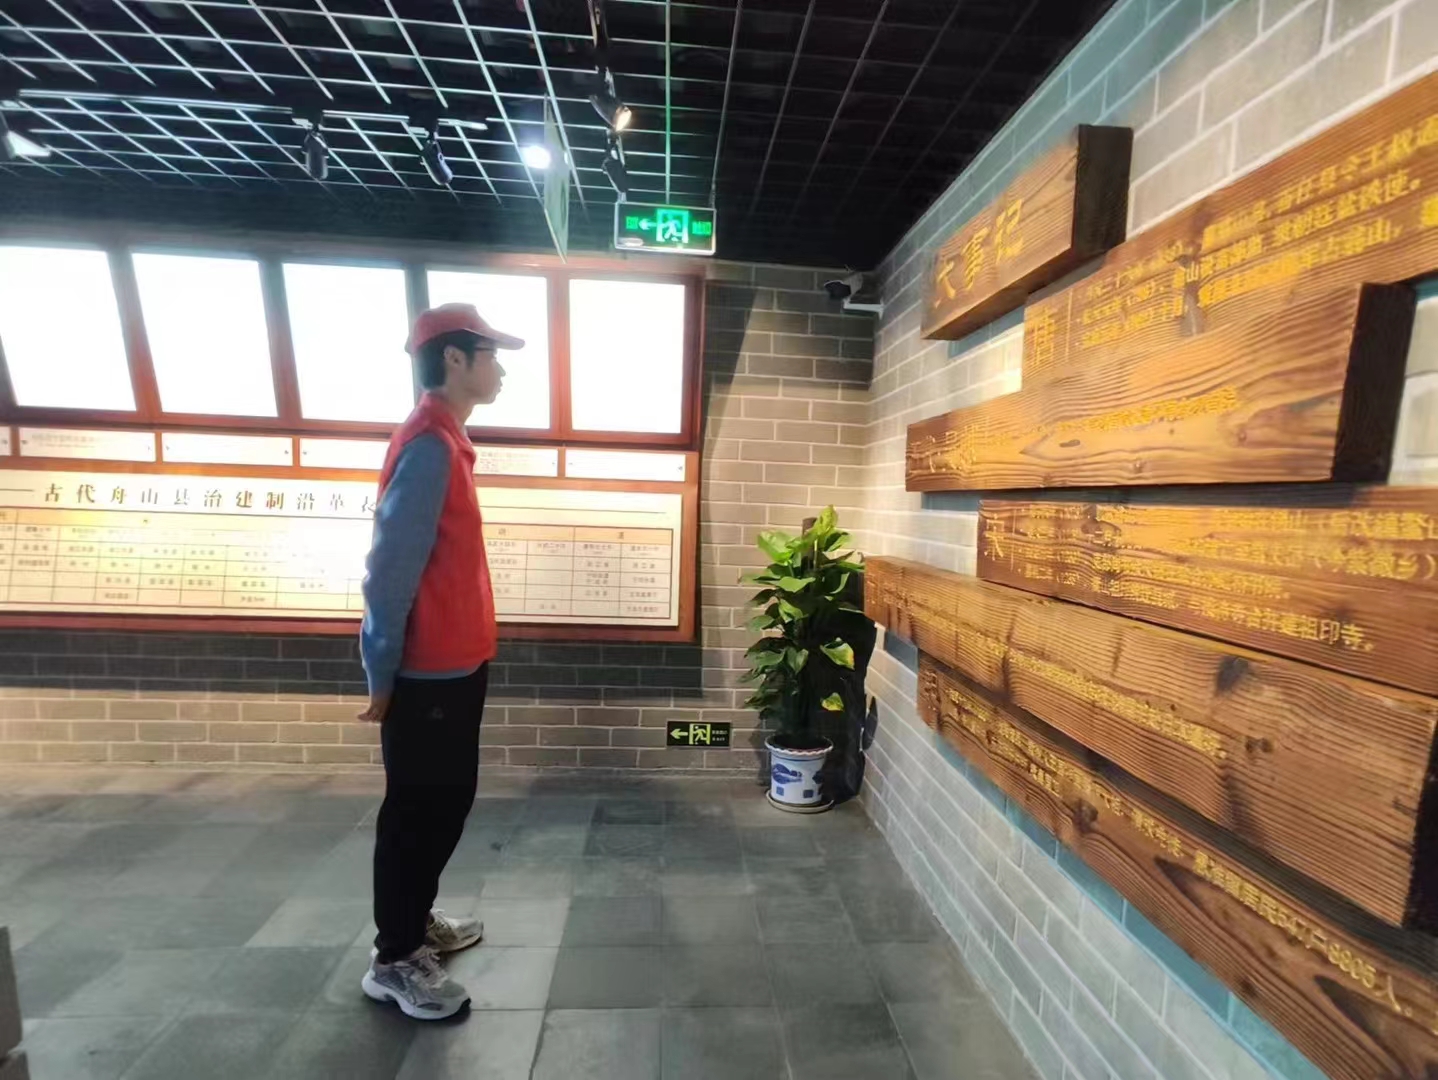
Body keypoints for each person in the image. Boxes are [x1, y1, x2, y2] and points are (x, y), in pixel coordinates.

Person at [357, 302, 521, 1021]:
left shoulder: (448, 439)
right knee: (418, 812)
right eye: (491, 355)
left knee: (444, 804)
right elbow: (389, 571)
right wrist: (381, 673)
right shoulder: (428, 444)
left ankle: (413, 920)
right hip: (425, 676)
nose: (502, 369)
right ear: (454, 359)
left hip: (456, 666)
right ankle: (394, 959)